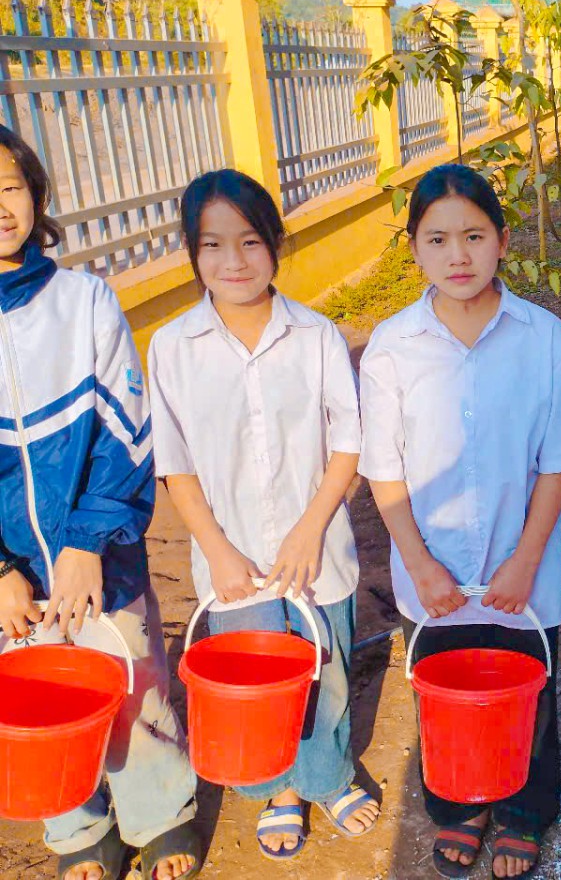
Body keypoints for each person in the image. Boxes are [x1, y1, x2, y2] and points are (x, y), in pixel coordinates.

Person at [358, 163, 561, 879]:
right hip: (433, 573)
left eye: (474, 236)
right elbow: (385, 471)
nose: (457, 256)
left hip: (522, 567)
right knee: (446, 689)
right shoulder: (392, 348)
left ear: (503, 240)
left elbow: (558, 463)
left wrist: (524, 563)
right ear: (414, 248)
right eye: (437, 239)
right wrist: (420, 565)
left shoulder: (545, 340)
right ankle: (460, 805)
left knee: (528, 690)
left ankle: (521, 810)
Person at [148, 169, 379, 861]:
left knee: (326, 669)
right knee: (255, 679)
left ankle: (328, 776)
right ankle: (279, 788)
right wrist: (217, 550)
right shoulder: (172, 347)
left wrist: (310, 529)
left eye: (250, 241)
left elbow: (348, 440)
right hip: (233, 559)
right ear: (192, 252)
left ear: (276, 243)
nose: (234, 261)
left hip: (318, 551)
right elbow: (176, 463)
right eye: (213, 244)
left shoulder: (315, 336)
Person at [0, 126, 201, 879]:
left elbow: (126, 433)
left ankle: (162, 814)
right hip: (12, 584)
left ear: (36, 194)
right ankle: (80, 828)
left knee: (132, 682)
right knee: (37, 701)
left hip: (103, 558)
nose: (0, 207)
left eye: (10, 187)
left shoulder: (84, 301)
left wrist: (86, 542)